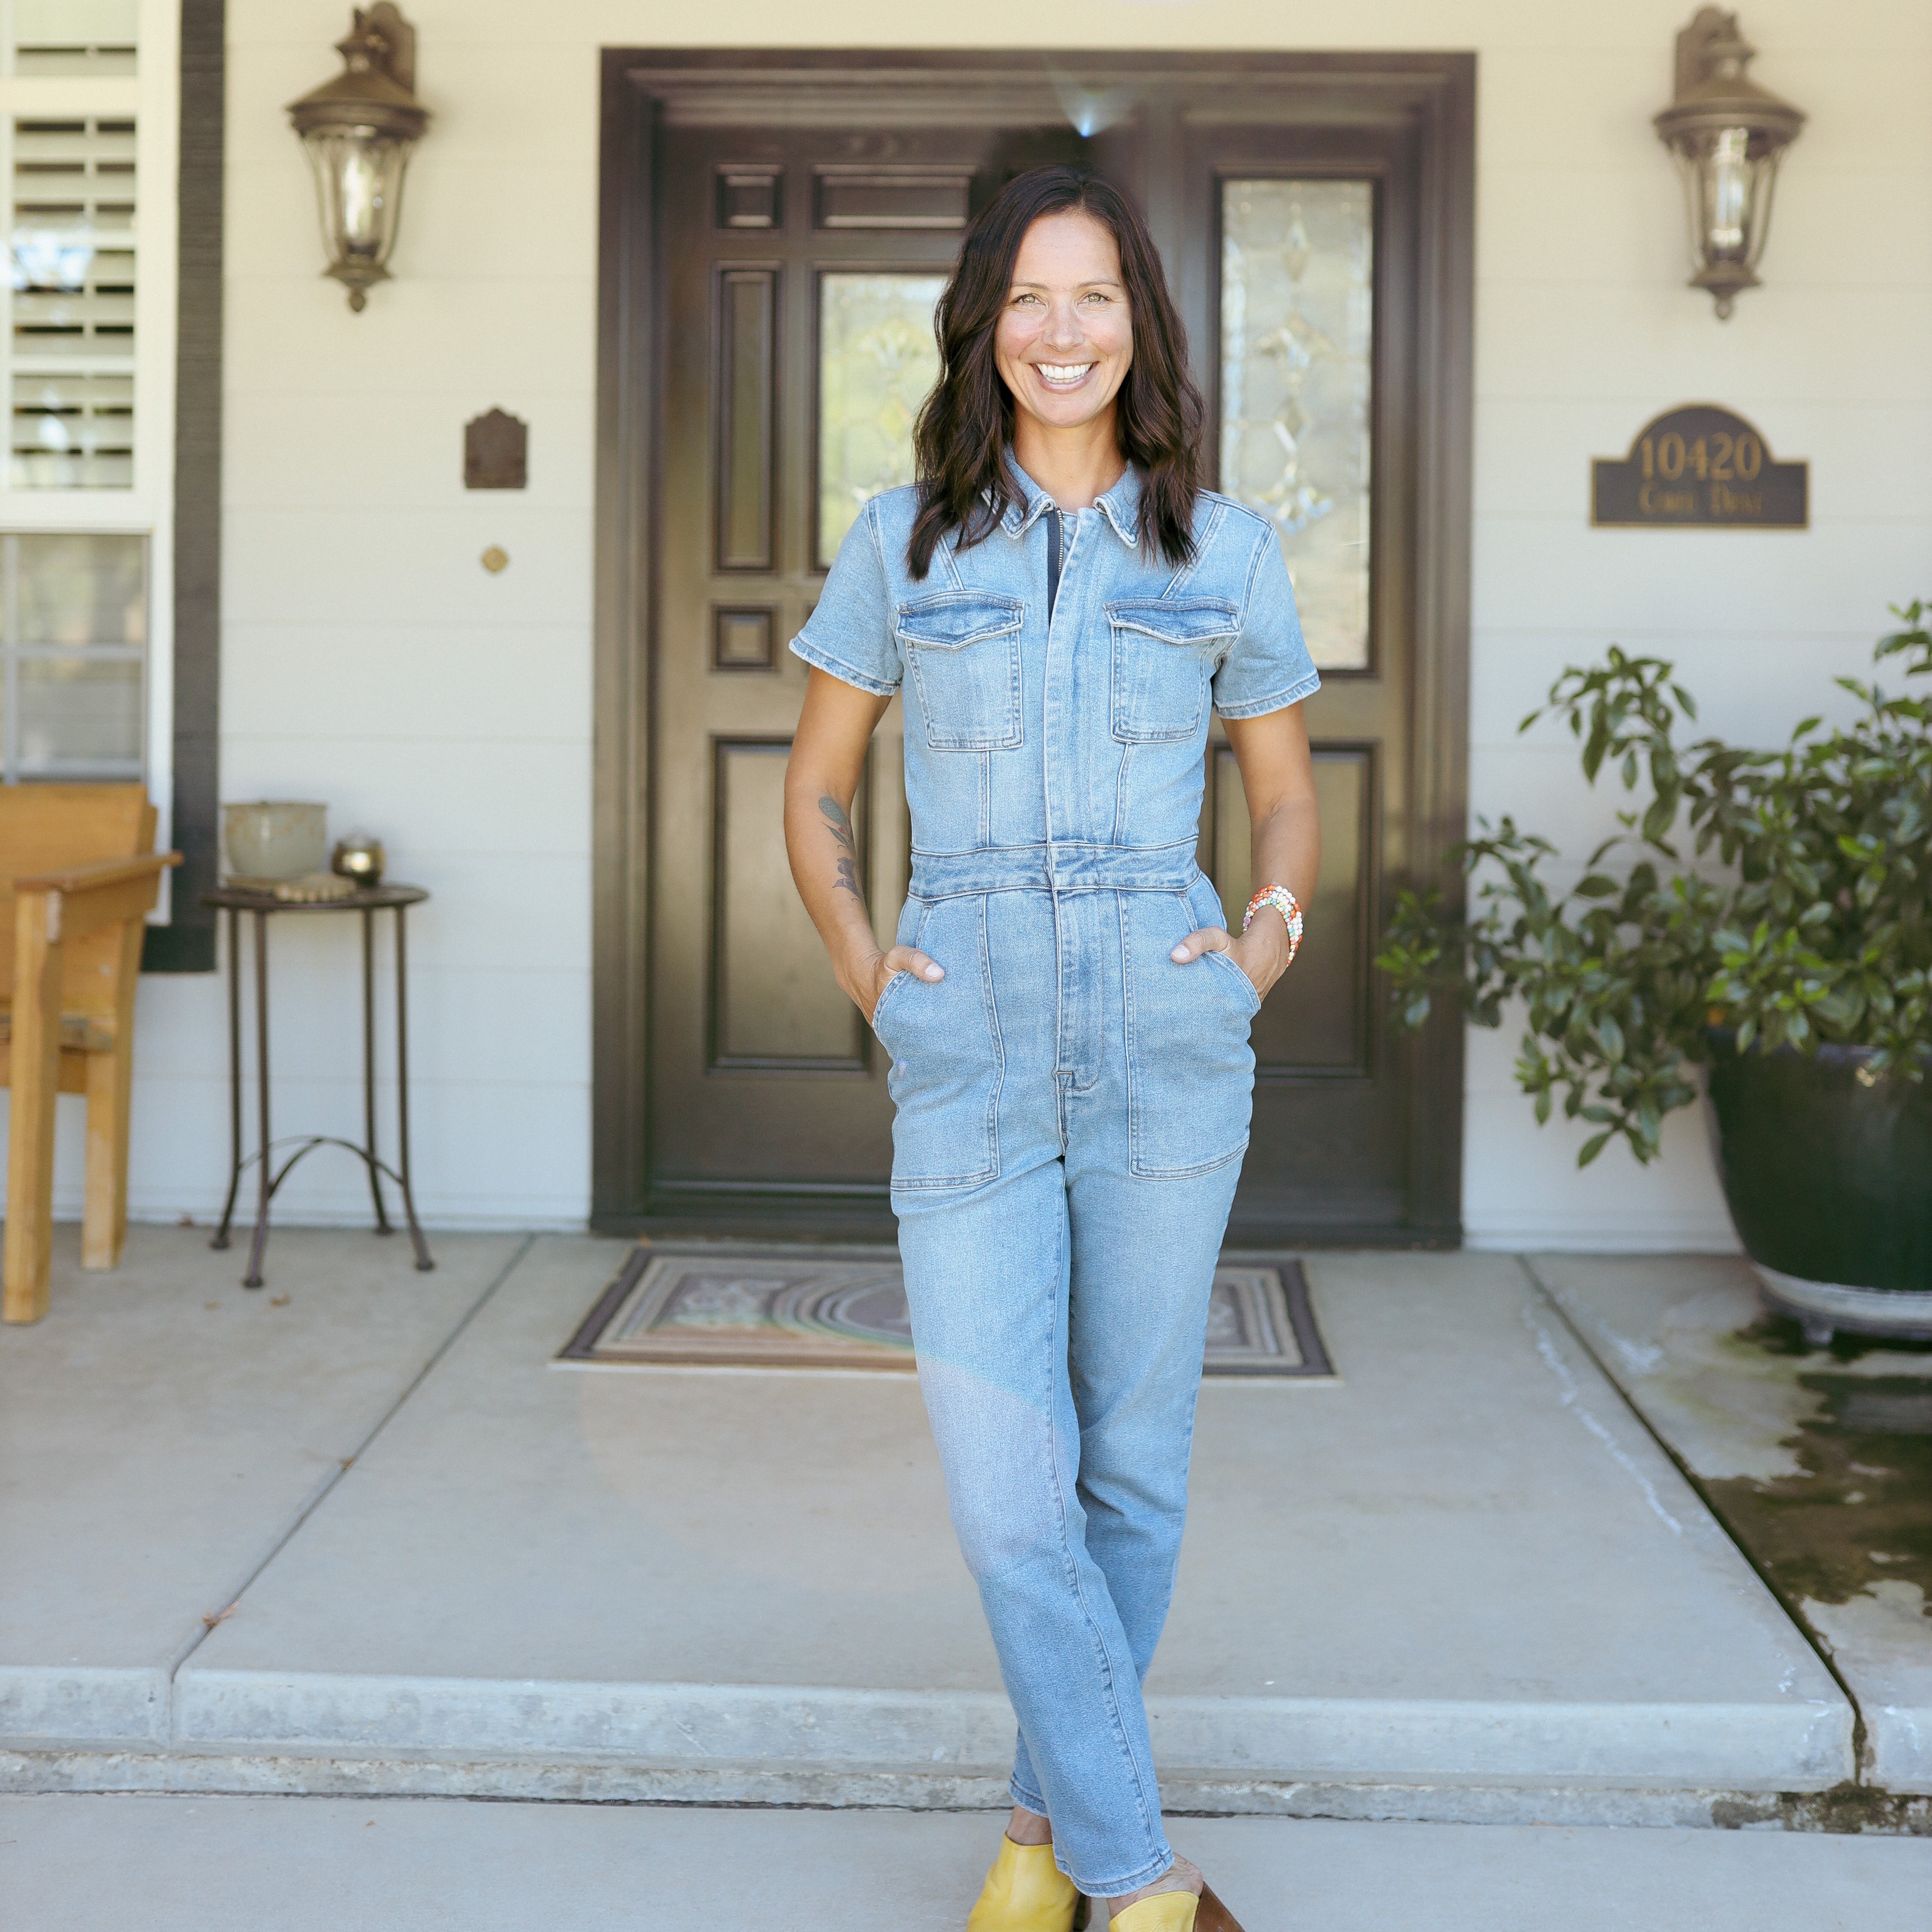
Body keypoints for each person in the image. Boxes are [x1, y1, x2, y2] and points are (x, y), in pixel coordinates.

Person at [784, 164, 1319, 1932]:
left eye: (1091, 296)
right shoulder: (905, 540)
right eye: (1027, 297)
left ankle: (1034, 1844)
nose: (1059, 330)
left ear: (1136, 326)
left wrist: (1255, 951)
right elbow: (813, 788)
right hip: (973, 1055)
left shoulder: (1224, 550)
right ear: (982, 324)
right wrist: (877, 975)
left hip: (1169, 1049)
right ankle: (1141, 1880)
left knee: (1130, 1471)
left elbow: (1286, 794)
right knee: (1011, 1497)